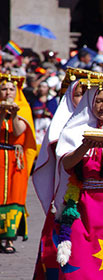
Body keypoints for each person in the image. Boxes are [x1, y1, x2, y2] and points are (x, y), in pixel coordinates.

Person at [33, 78, 103, 279]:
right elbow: (67, 165)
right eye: (98, 101)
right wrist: (84, 145)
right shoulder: (75, 128)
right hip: (80, 204)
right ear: (90, 102)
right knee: (77, 261)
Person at [32, 67, 103, 214]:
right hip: (72, 188)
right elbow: (62, 162)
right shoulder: (61, 123)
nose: (83, 99)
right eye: (79, 94)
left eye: (87, 94)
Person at [0, 74, 36, 253]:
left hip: (15, 158)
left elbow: (18, 131)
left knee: (15, 195)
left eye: (11, 89)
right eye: (4, 89)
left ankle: (10, 239)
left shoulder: (23, 108)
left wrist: (13, 114)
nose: (7, 92)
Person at [31, 81, 58, 154]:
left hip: (47, 126)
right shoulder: (34, 100)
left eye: (44, 87)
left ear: (48, 89)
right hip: (37, 125)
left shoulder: (51, 100)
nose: (42, 89)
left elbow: (55, 113)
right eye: (40, 87)